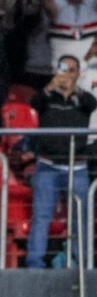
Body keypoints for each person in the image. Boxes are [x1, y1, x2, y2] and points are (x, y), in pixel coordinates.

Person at [27, 54, 95, 268]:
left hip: (78, 167)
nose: (66, 74)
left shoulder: (83, 99)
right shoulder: (47, 97)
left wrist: (75, 89)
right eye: (63, 69)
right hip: (48, 167)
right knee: (41, 218)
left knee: (80, 219)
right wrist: (51, 86)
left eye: (71, 70)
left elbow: (92, 104)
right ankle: (35, 264)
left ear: (78, 74)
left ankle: (79, 263)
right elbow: (35, 102)